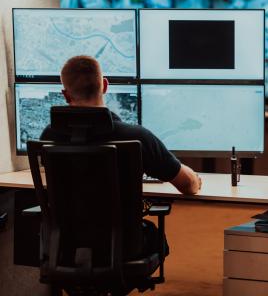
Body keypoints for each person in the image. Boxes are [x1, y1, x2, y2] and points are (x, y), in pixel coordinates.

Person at [41, 56, 201, 256]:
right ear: (105, 85)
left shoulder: (49, 137)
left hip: (63, 248)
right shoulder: (135, 137)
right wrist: (195, 177)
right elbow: (187, 185)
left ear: (65, 95)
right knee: (156, 239)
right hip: (124, 249)